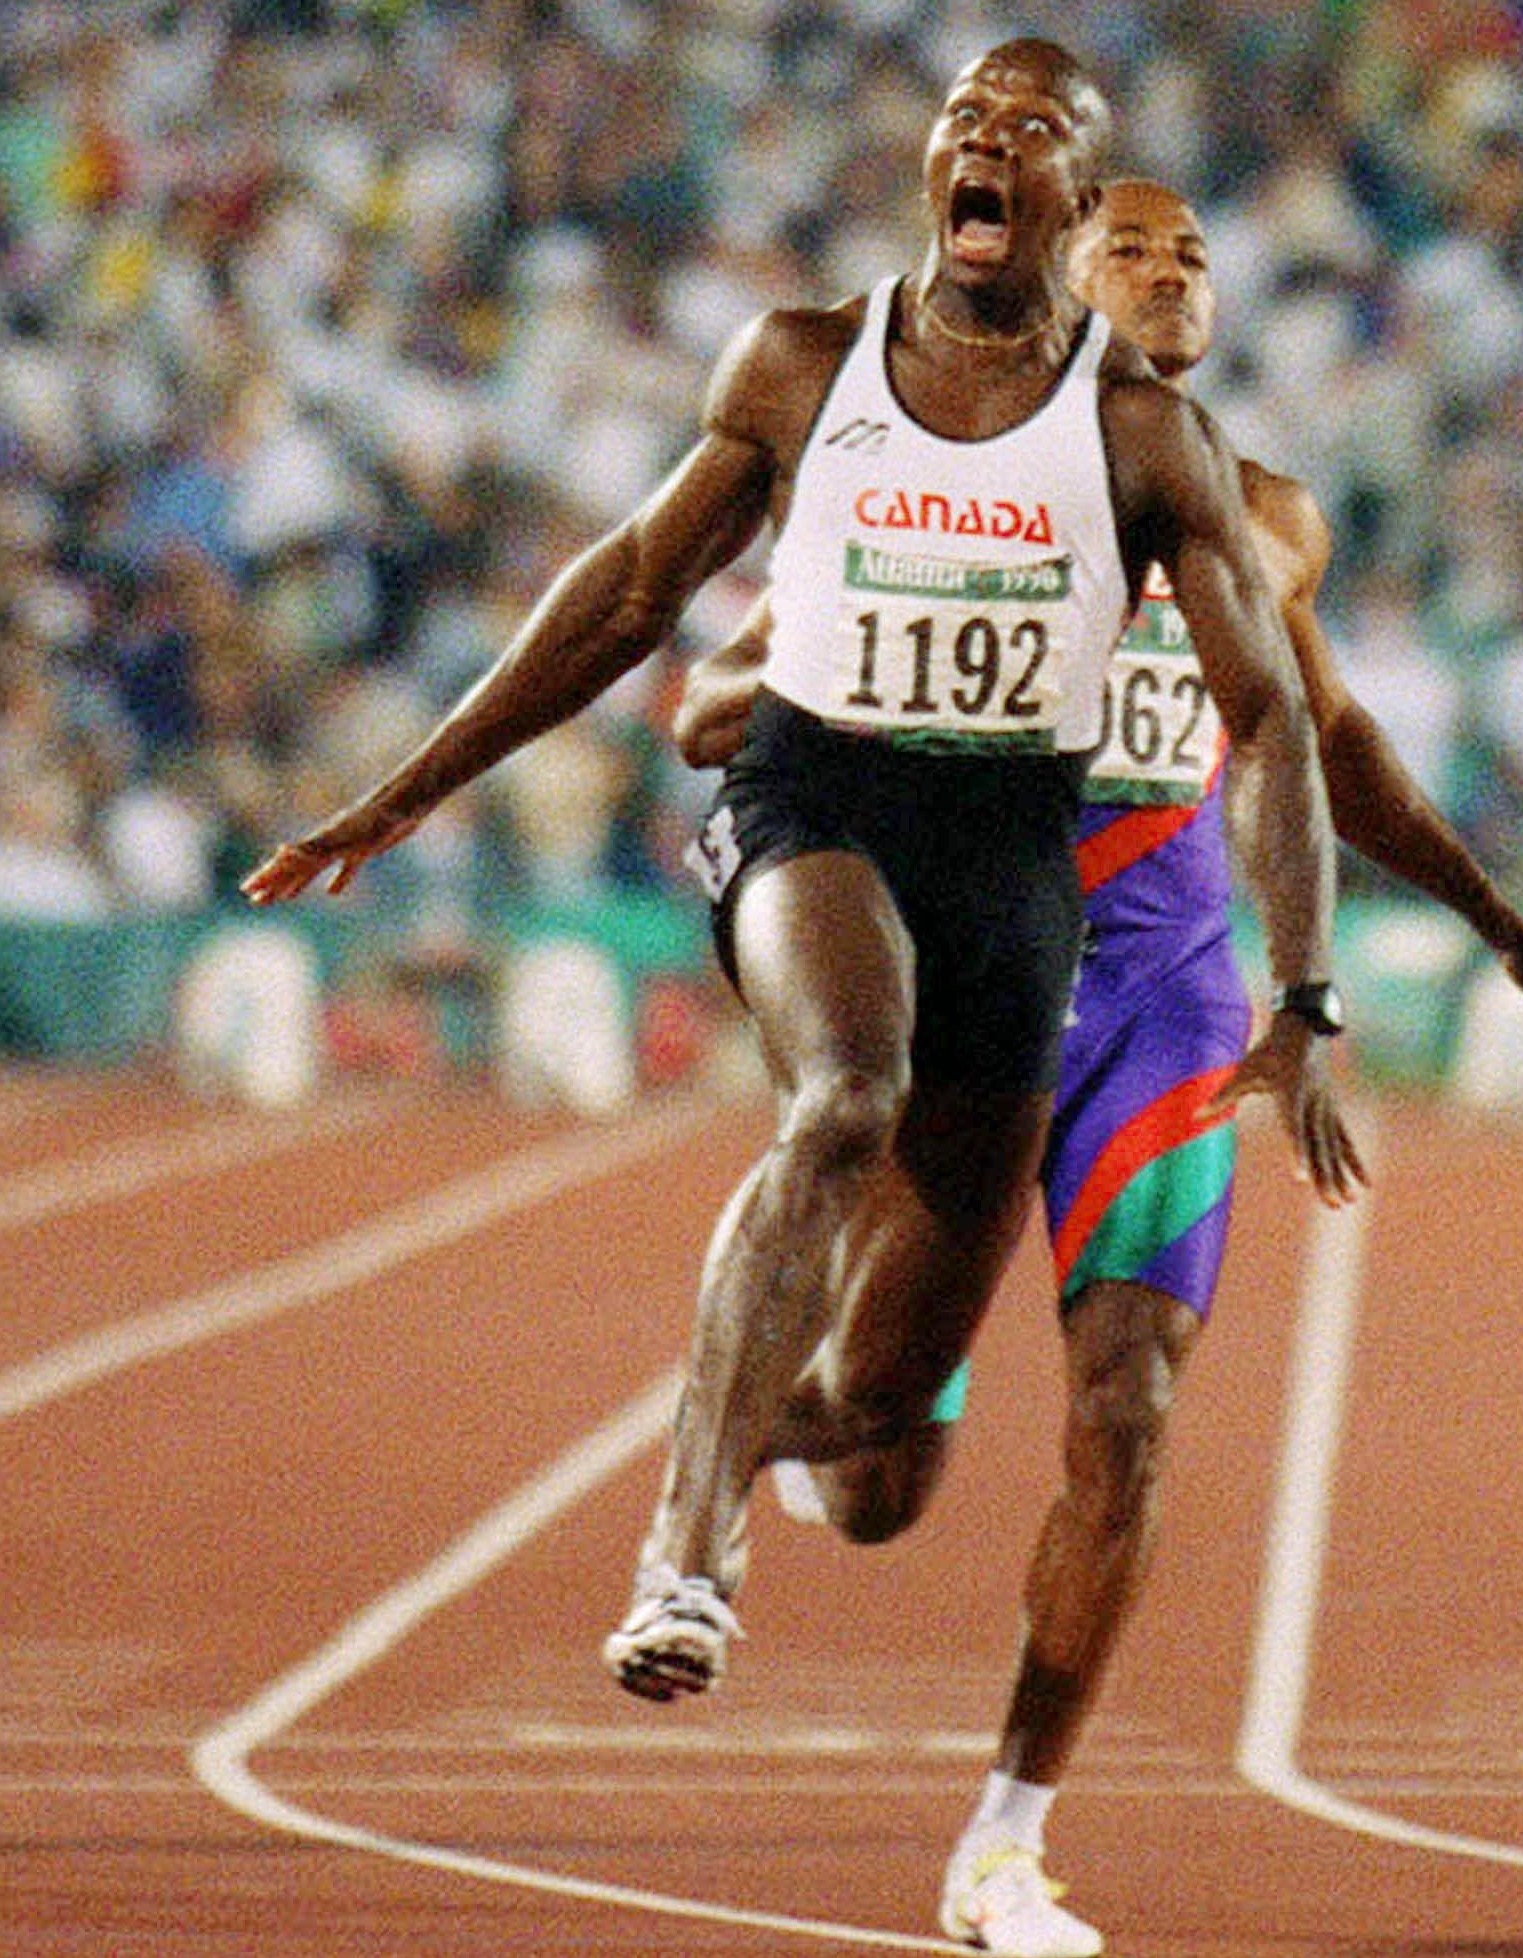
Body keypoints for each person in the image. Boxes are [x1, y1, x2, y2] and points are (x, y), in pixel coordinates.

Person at [242, 42, 1349, 1949]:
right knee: (841, 1091)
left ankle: (768, 1424)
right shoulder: (797, 364)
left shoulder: (1140, 444)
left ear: (1078, 213)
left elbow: (1277, 733)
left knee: (891, 1438)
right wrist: (406, 790)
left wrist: (1309, 982)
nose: (985, 152)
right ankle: (690, 1553)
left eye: (1031, 140)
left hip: (1015, 869)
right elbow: (624, 590)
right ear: (929, 169)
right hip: (816, 797)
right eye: (964, 127)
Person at [672, 178, 1523, 1954]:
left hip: (1164, 988)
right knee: (876, 1483)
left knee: (1130, 1408)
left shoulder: (1263, 516)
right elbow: (712, 700)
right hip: (967, 956)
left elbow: (1326, 742)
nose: (1168, 274)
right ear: (1052, 275)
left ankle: (1006, 1843)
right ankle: (746, 1410)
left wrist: (1491, 923)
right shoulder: (938, 484)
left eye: (1193, 255)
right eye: (1129, 251)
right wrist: (847, 682)